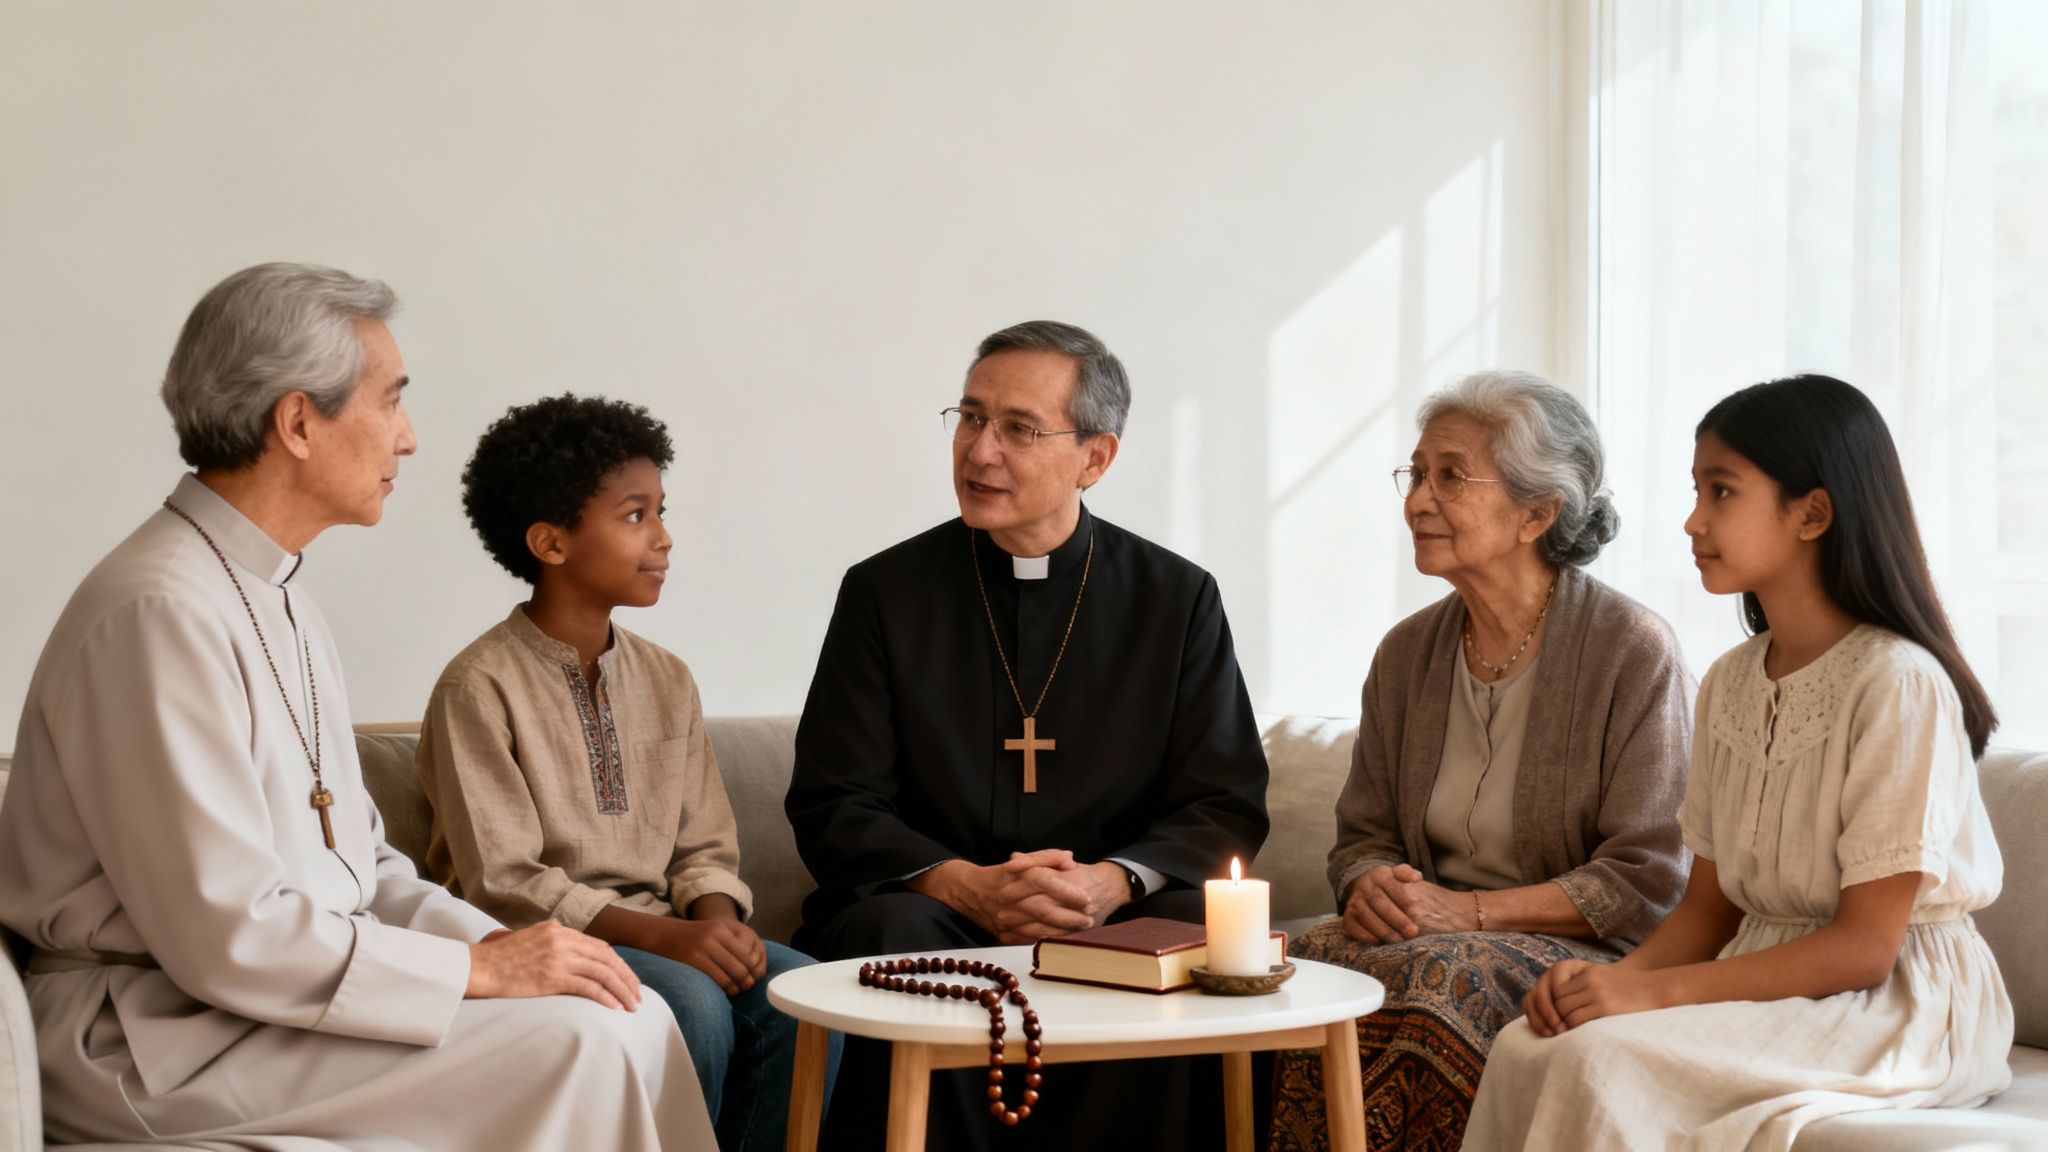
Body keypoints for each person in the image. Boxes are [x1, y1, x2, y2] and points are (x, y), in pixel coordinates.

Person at [0, 264, 713, 1148]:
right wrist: (470, 971)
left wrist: (509, 952)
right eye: (391, 402)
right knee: (580, 1043)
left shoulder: (278, 595)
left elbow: (363, 867)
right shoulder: (158, 611)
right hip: (148, 1035)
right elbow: (228, 932)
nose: (409, 439)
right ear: (298, 422)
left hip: (254, 1002)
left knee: (631, 1013)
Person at [1465, 374, 2013, 1151]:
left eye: (1721, 491)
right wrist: (1616, 985)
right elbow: (1707, 911)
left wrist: (1652, 996)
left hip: (1897, 1004)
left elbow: (1864, 949)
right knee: (1529, 1042)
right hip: (1762, 975)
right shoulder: (1729, 680)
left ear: (1813, 513)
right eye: (1696, 490)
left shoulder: (1898, 682)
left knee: (1604, 1058)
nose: (1693, 520)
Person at [785, 320, 1270, 1151]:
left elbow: (1223, 798)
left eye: (1017, 428)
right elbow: (835, 798)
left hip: (1110, 917)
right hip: (936, 912)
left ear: (1096, 457)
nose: (979, 452)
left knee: (1203, 941)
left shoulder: (1175, 597)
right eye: (970, 419)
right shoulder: (884, 593)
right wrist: (963, 885)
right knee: (883, 935)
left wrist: (1112, 885)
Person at [1268, 371, 1693, 1151]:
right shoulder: (1406, 654)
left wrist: (1462, 914)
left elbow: (1647, 878)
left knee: (1439, 981)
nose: (1418, 500)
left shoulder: (1632, 651)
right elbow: (1362, 834)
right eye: (1417, 474)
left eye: (1451, 476)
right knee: (1286, 964)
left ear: (1537, 512)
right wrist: (1373, 889)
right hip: (1426, 937)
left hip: (1585, 952)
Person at [417, 393, 837, 1152]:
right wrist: (671, 943)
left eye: (661, 511)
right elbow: (504, 881)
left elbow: (704, 844)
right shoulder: (477, 687)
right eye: (636, 515)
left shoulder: (668, 678)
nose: (665, 538)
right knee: (693, 1005)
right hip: (541, 944)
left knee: (803, 993)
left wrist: (714, 922)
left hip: (667, 931)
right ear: (550, 543)